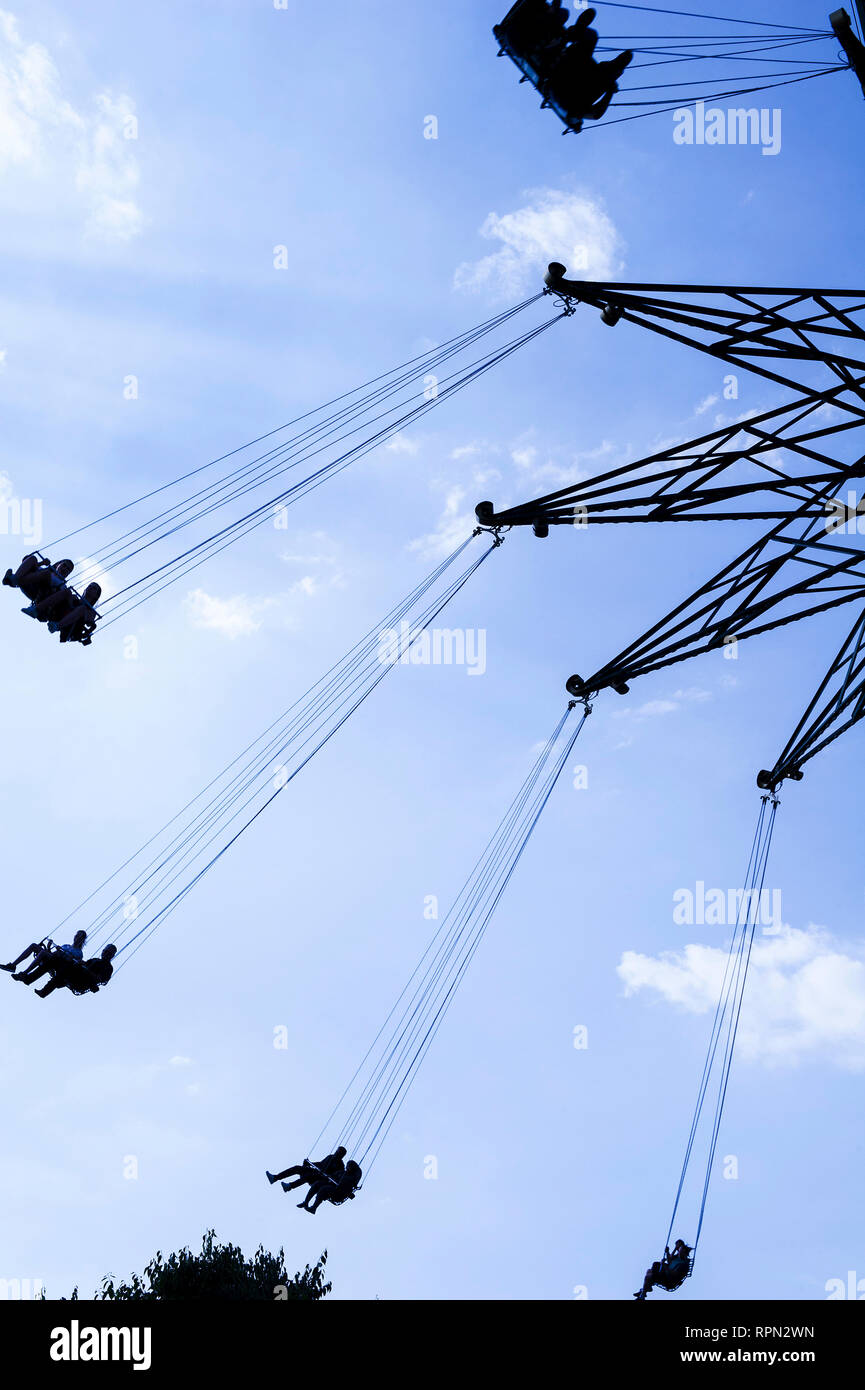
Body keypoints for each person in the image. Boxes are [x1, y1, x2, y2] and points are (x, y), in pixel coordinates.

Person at [34, 944, 117, 999]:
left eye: (109, 953)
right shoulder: (95, 960)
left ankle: (45, 990)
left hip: (83, 982)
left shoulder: (108, 968)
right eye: (105, 951)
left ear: (112, 955)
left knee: (65, 971)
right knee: (57, 961)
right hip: (75, 974)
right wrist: (81, 963)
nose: (106, 954)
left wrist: (86, 970)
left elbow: (100, 979)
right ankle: (30, 977)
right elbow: (85, 963)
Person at [2, 931, 87, 978]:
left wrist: (67, 956)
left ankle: (25, 973)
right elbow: (53, 954)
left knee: (43, 953)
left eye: (79, 937)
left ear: (82, 940)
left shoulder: (79, 953)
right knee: (33, 946)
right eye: (77, 935)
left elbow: (73, 964)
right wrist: (49, 947)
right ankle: (13, 965)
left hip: (60, 964)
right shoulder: (66, 945)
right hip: (54, 958)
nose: (77, 938)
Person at [266, 1147, 346, 1193]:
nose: (336, 1153)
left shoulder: (340, 1165)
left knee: (309, 1176)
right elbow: (320, 1164)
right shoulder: (330, 1157)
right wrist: (310, 1163)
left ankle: (290, 1186)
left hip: (321, 1178)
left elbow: (336, 1176)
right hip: (316, 1172)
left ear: (341, 1155)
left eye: (338, 1153)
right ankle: (275, 1178)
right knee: (297, 1168)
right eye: (336, 1151)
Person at [3, 555, 74, 606]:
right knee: (32, 558)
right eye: (64, 565)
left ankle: (14, 580)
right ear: (58, 564)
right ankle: (15, 579)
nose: (65, 569)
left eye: (68, 569)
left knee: (46, 574)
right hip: (29, 583)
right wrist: (42, 563)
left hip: (39, 593)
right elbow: (26, 561)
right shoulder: (43, 569)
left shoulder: (62, 585)